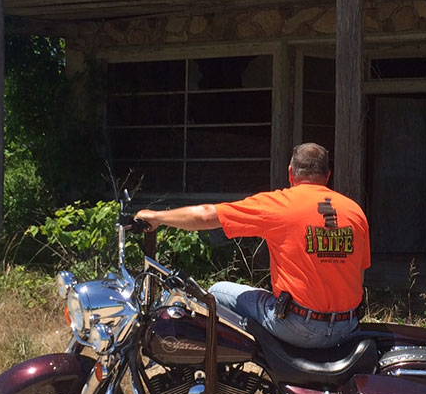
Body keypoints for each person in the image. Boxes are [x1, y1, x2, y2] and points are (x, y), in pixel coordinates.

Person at [135, 143, 370, 349]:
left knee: (217, 291)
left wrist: (157, 217)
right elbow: (358, 279)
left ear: (291, 173)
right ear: (327, 175)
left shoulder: (279, 204)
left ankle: (219, 380)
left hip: (299, 327)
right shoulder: (354, 211)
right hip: (346, 327)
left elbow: (208, 215)